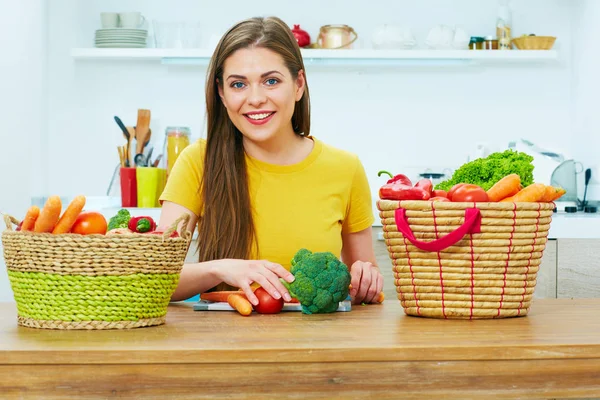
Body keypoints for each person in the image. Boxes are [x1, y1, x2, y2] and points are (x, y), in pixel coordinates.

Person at [158, 16, 383, 306]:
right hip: (222, 344)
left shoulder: (345, 168)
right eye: (238, 84)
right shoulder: (197, 162)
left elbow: (366, 280)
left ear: (298, 84)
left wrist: (366, 280)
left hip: (317, 344)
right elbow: (155, 278)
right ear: (222, 94)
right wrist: (218, 268)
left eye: (271, 81)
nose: (255, 99)